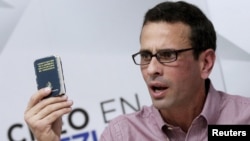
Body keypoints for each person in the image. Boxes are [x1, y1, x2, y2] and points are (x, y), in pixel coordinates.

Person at [24, 1, 250, 141]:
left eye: (167, 55)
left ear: (206, 63)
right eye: (145, 56)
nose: (151, 69)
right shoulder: (122, 134)